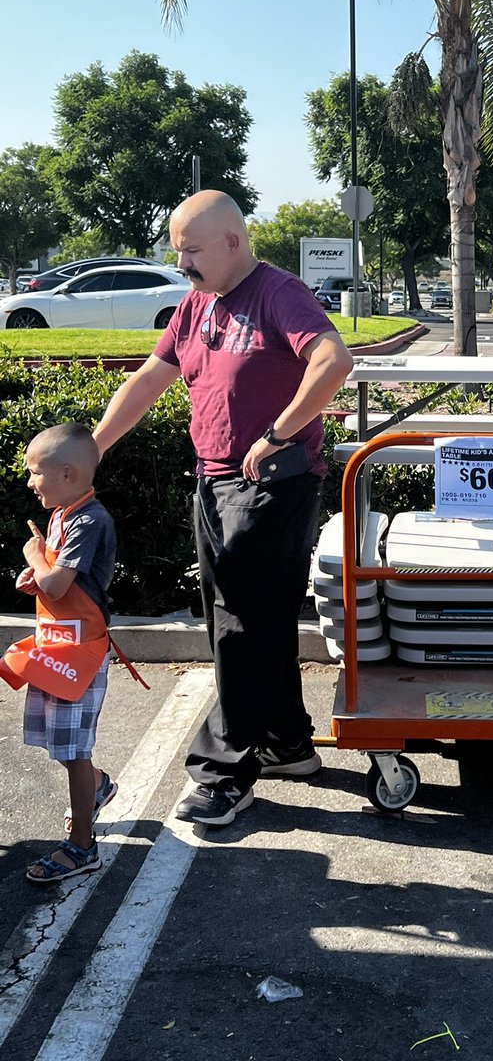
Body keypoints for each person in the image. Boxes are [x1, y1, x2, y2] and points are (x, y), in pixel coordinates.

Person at [93, 189, 354, 828]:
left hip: (273, 482)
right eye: (176, 250)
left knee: (240, 621)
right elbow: (149, 380)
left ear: (234, 243)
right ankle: (286, 744)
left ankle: (222, 772)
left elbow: (333, 360)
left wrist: (280, 433)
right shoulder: (195, 304)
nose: (181, 263)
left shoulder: (277, 293)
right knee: (238, 617)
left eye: (191, 251)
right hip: (214, 482)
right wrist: (93, 449)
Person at [18, 423, 118, 883]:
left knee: (74, 750)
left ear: (68, 474)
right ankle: (97, 785)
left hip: (80, 653)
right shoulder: (63, 512)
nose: (29, 482)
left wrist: (36, 558)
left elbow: (57, 581)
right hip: (59, 648)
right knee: (61, 745)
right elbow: (57, 579)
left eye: (35, 472)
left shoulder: (88, 519)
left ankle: (82, 846)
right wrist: (34, 575)